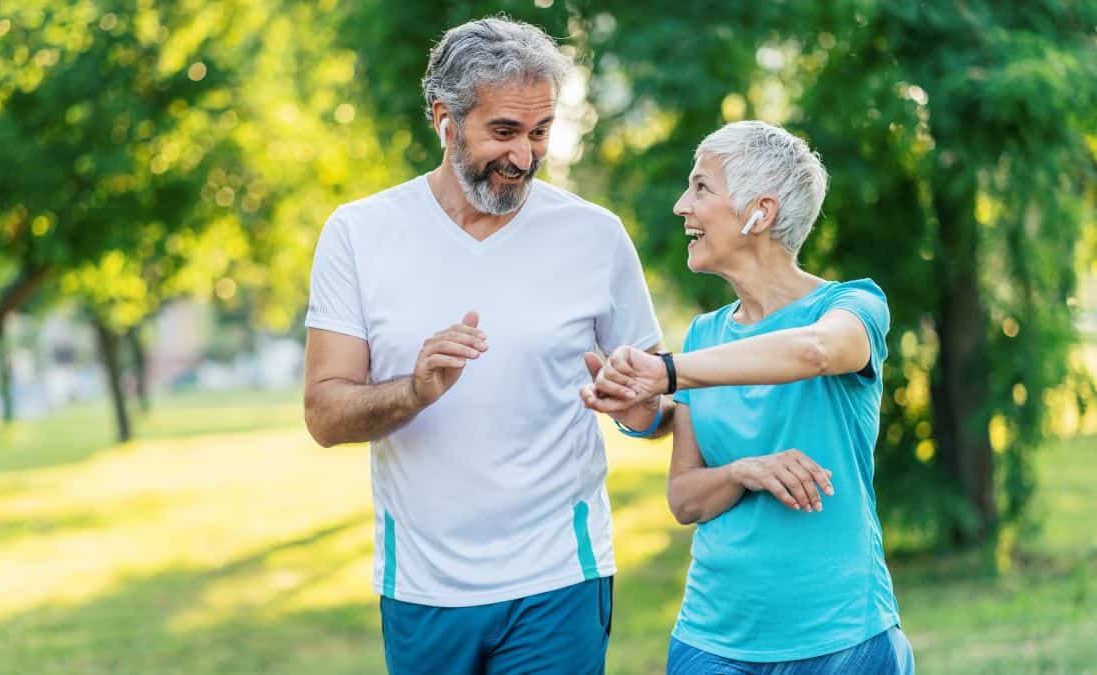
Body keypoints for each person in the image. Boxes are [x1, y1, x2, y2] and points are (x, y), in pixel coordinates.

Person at [303, 17, 670, 674]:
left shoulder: (596, 236)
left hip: (560, 577)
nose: (524, 157)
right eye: (503, 132)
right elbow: (325, 415)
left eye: (540, 132)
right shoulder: (359, 233)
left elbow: (655, 410)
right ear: (445, 120)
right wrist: (414, 391)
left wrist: (637, 407)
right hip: (423, 588)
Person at [582, 120, 916, 674]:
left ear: (760, 212)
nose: (681, 205)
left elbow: (815, 350)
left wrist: (667, 372)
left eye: (701, 187)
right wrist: (744, 472)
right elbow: (684, 500)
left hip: (842, 639)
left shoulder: (852, 307)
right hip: (713, 641)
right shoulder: (704, 336)